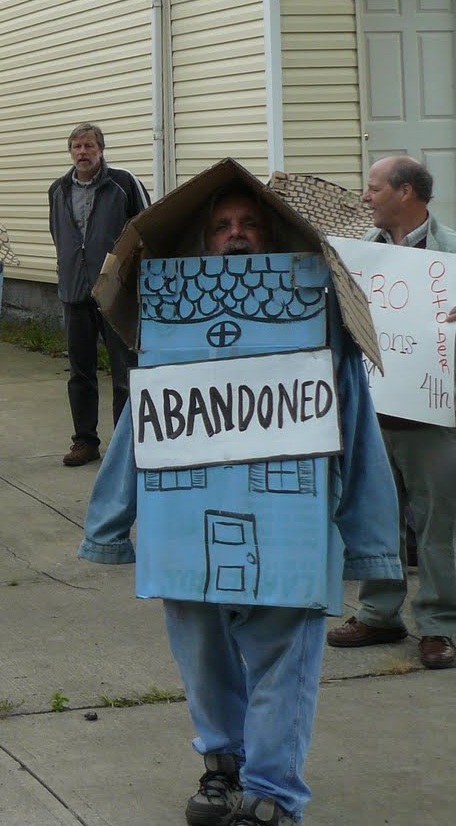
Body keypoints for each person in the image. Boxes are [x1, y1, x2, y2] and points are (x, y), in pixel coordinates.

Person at [81, 183, 400, 826]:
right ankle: (224, 766)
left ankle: (273, 793)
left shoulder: (318, 318)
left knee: (286, 655)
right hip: (187, 525)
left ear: (271, 235)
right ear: (204, 240)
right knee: (201, 651)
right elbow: (141, 425)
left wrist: (370, 542)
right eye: (222, 224)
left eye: (249, 222)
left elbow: (357, 425)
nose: (236, 232)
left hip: (290, 524)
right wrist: (109, 524)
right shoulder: (171, 321)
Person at [326, 155, 456, 671]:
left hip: (434, 416)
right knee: (378, 517)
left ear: (406, 192)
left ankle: (440, 624)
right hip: (374, 412)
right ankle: (379, 613)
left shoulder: (452, 255)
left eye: (373, 188)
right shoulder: (361, 258)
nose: (365, 197)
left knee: (437, 522)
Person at [47, 122, 149, 466]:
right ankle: (85, 442)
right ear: (70, 151)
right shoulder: (58, 190)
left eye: (89, 146)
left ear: (101, 150)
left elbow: (145, 229)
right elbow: (58, 235)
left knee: (124, 372)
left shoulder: (122, 184)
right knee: (81, 373)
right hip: (75, 292)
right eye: (77, 146)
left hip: (115, 293)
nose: (83, 152)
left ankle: (126, 446)